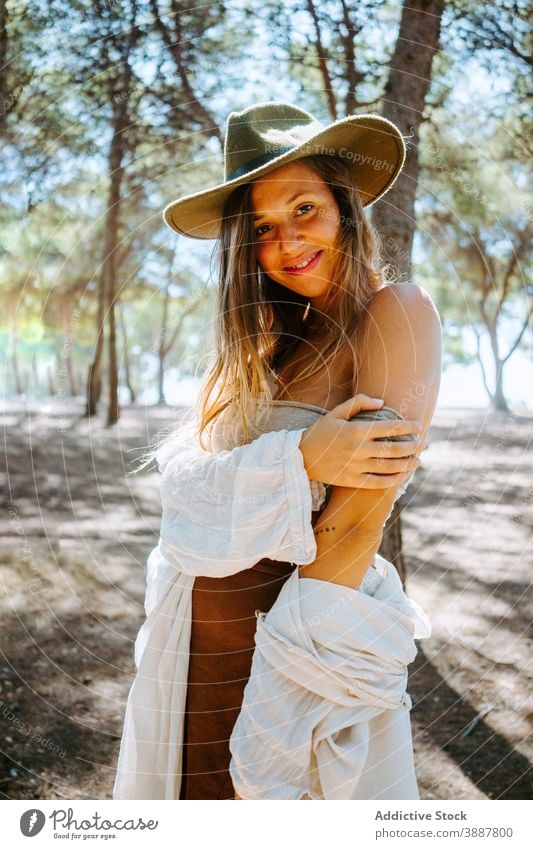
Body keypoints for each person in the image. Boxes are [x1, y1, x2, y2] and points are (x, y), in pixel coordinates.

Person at [113, 101, 442, 801]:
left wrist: (273, 724)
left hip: (285, 672)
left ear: (344, 210)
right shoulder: (267, 352)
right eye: (262, 228)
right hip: (193, 658)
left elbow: (356, 524)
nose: (287, 241)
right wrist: (302, 458)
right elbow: (182, 488)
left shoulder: (395, 313)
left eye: (304, 209)